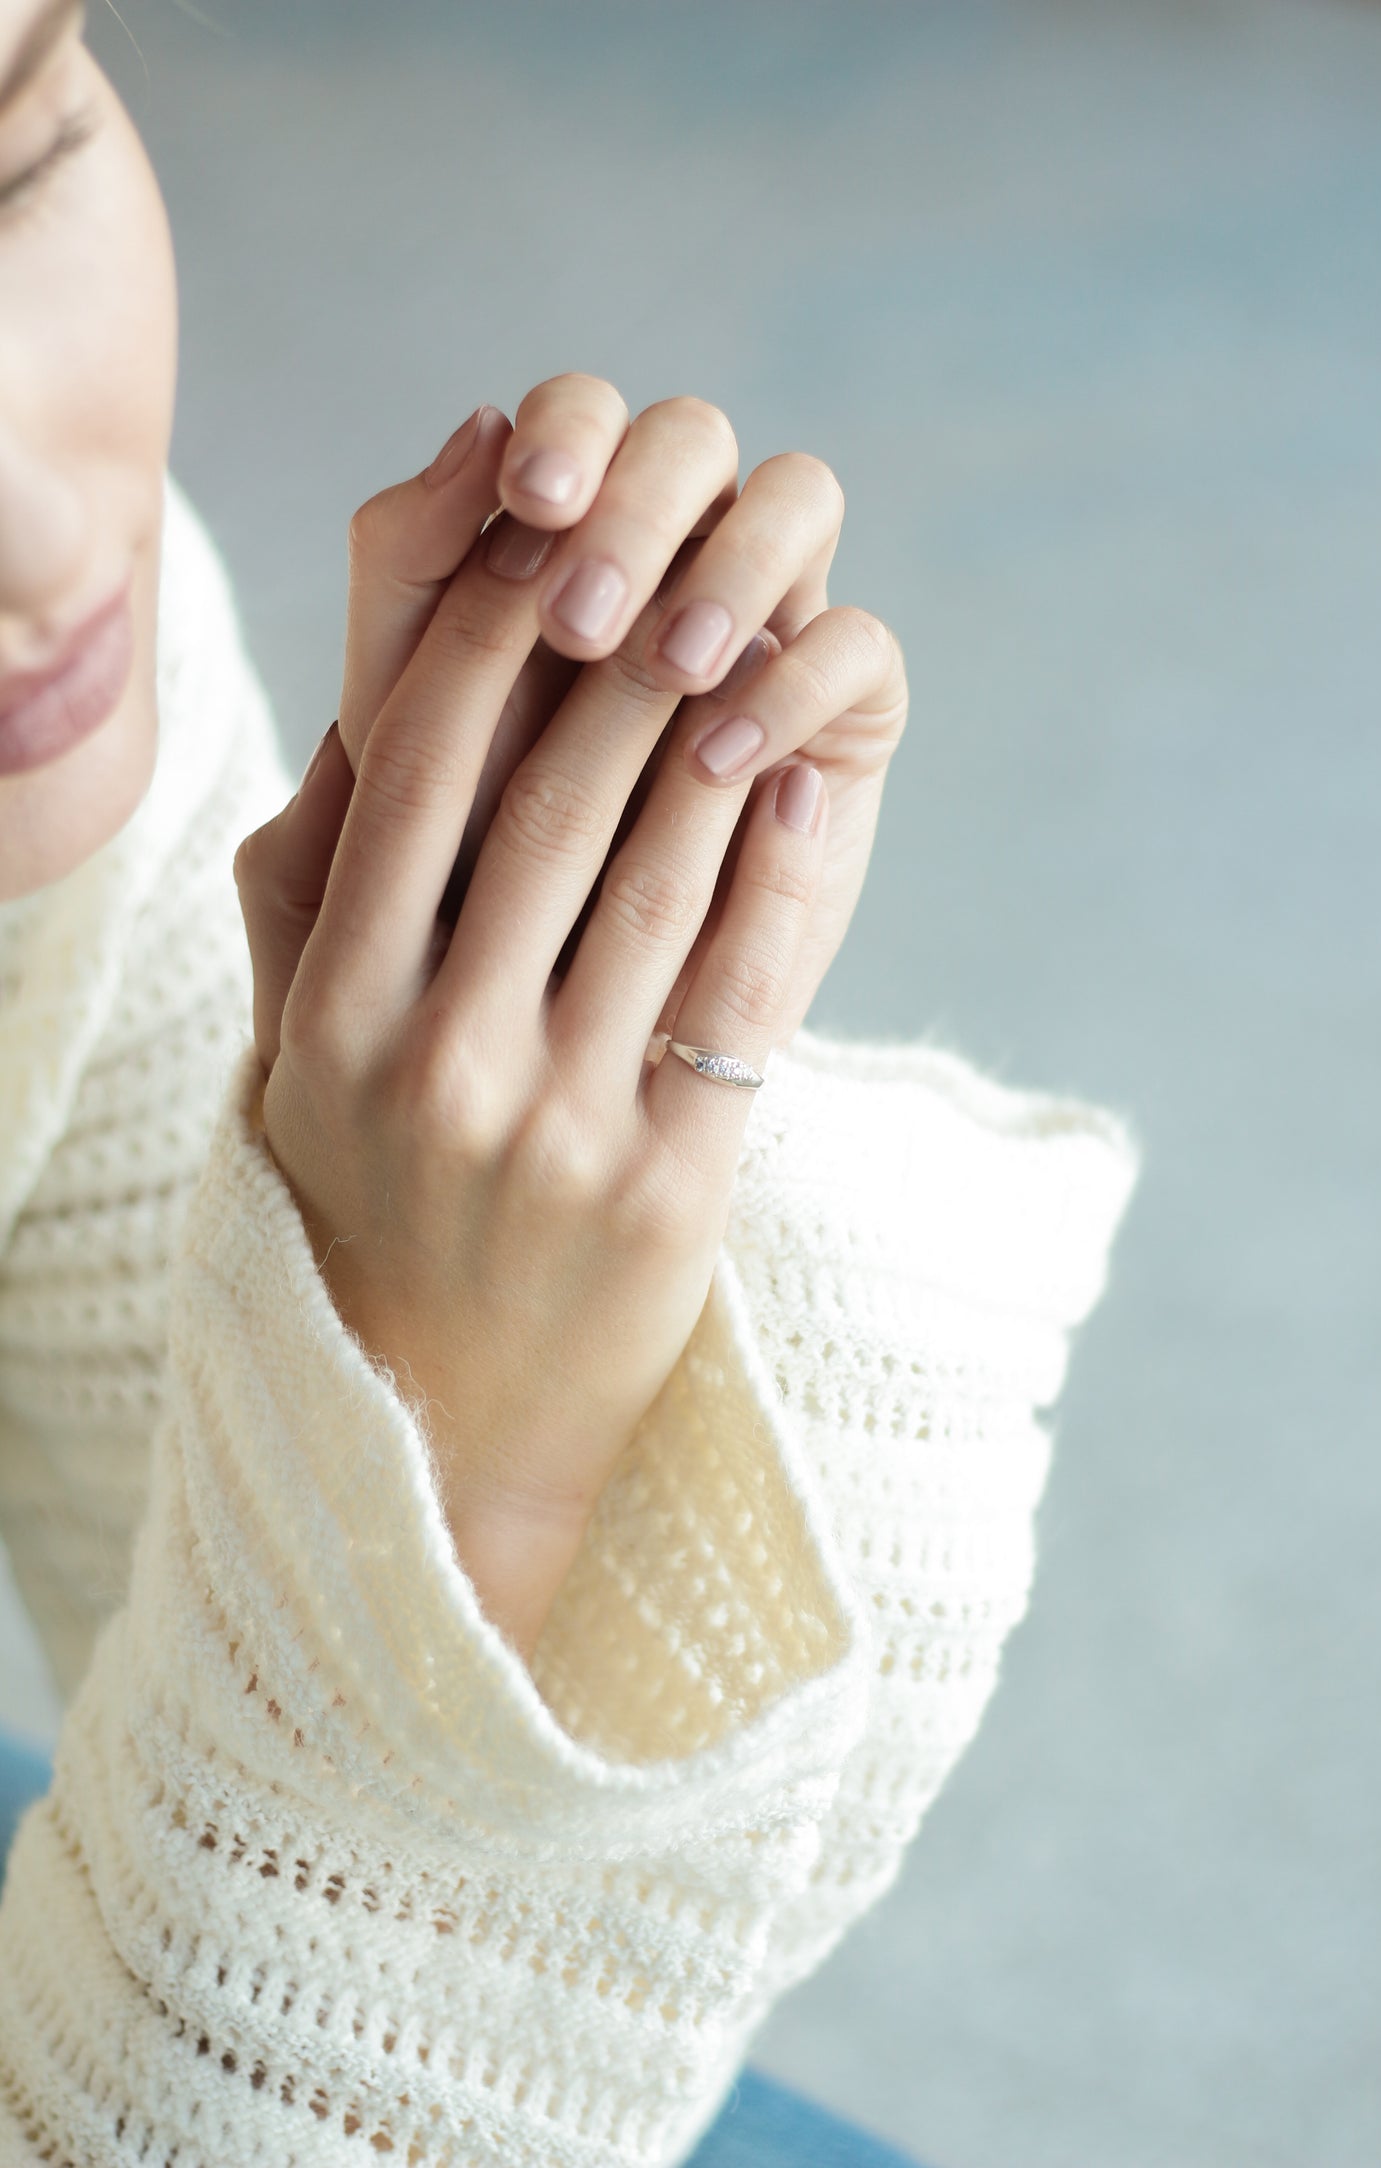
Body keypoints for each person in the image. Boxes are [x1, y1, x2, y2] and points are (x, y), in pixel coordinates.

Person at [0, 3, 1139, 2161]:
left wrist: (435, 1089)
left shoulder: (68, 751)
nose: (45, 528)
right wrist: (471, 1472)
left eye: (23, 156)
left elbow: (139, 1516)